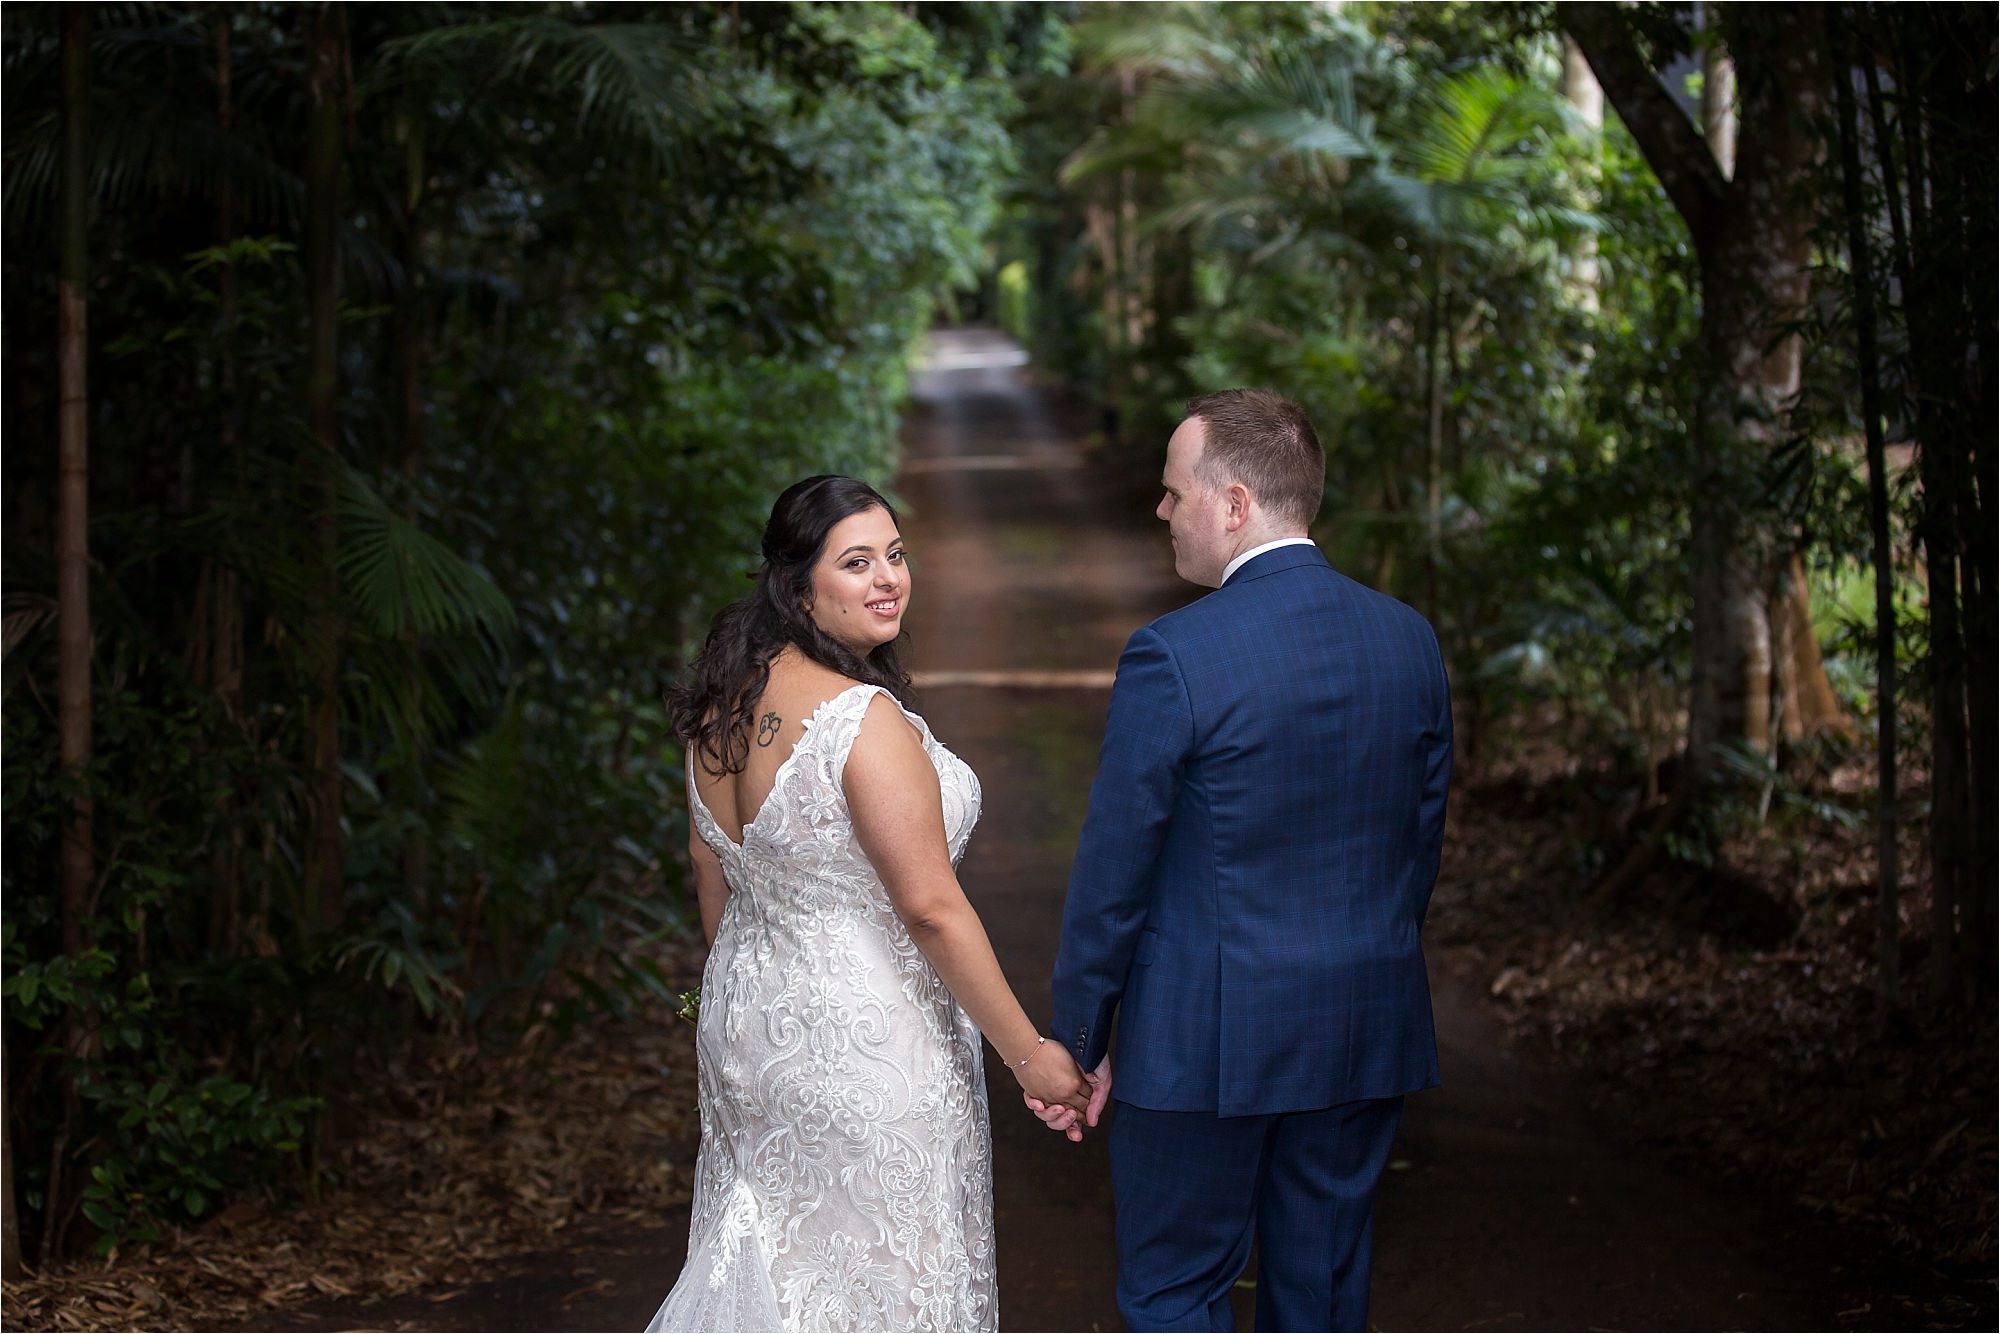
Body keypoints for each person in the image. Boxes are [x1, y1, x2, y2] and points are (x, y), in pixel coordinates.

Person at [1032, 390, 1453, 1332]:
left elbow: (1115, 873)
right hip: (1359, 1025)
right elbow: (1417, 848)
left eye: (1174, 491)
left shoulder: (1174, 656)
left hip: (1201, 1041)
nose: (1161, 510)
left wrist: (1082, 1037)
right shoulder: (1409, 640)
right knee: (1324, 1292)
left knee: (1177, 1288)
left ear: (1232, 505)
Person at [648, 474, 1093, 1333]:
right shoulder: (860, 720)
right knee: (884, 1281)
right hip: (868, 1039)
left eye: (895, 555)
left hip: (750, 1029)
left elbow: (714, 878)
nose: (889, 578)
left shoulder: (718, 710)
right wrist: (1030, 1055)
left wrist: (751, 1009)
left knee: (777, 1264)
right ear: (797, 584)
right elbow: (929, 906)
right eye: (856, 563)